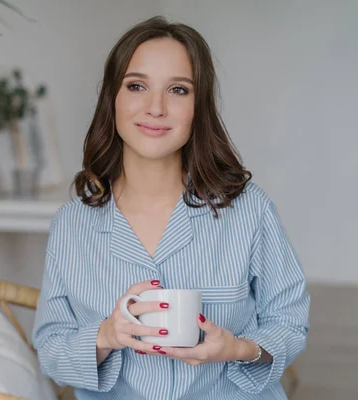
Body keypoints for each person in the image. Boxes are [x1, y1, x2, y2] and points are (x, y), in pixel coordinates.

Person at [32, 15, 310, 400]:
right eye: (137, 86)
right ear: (112, 98)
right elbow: (50, 349)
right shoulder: (72, 224)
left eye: (178, 90)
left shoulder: (249, 211)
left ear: (199, 108)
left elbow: (290, 322)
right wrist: (106, 335)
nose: (155, 107)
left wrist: (238, 348)